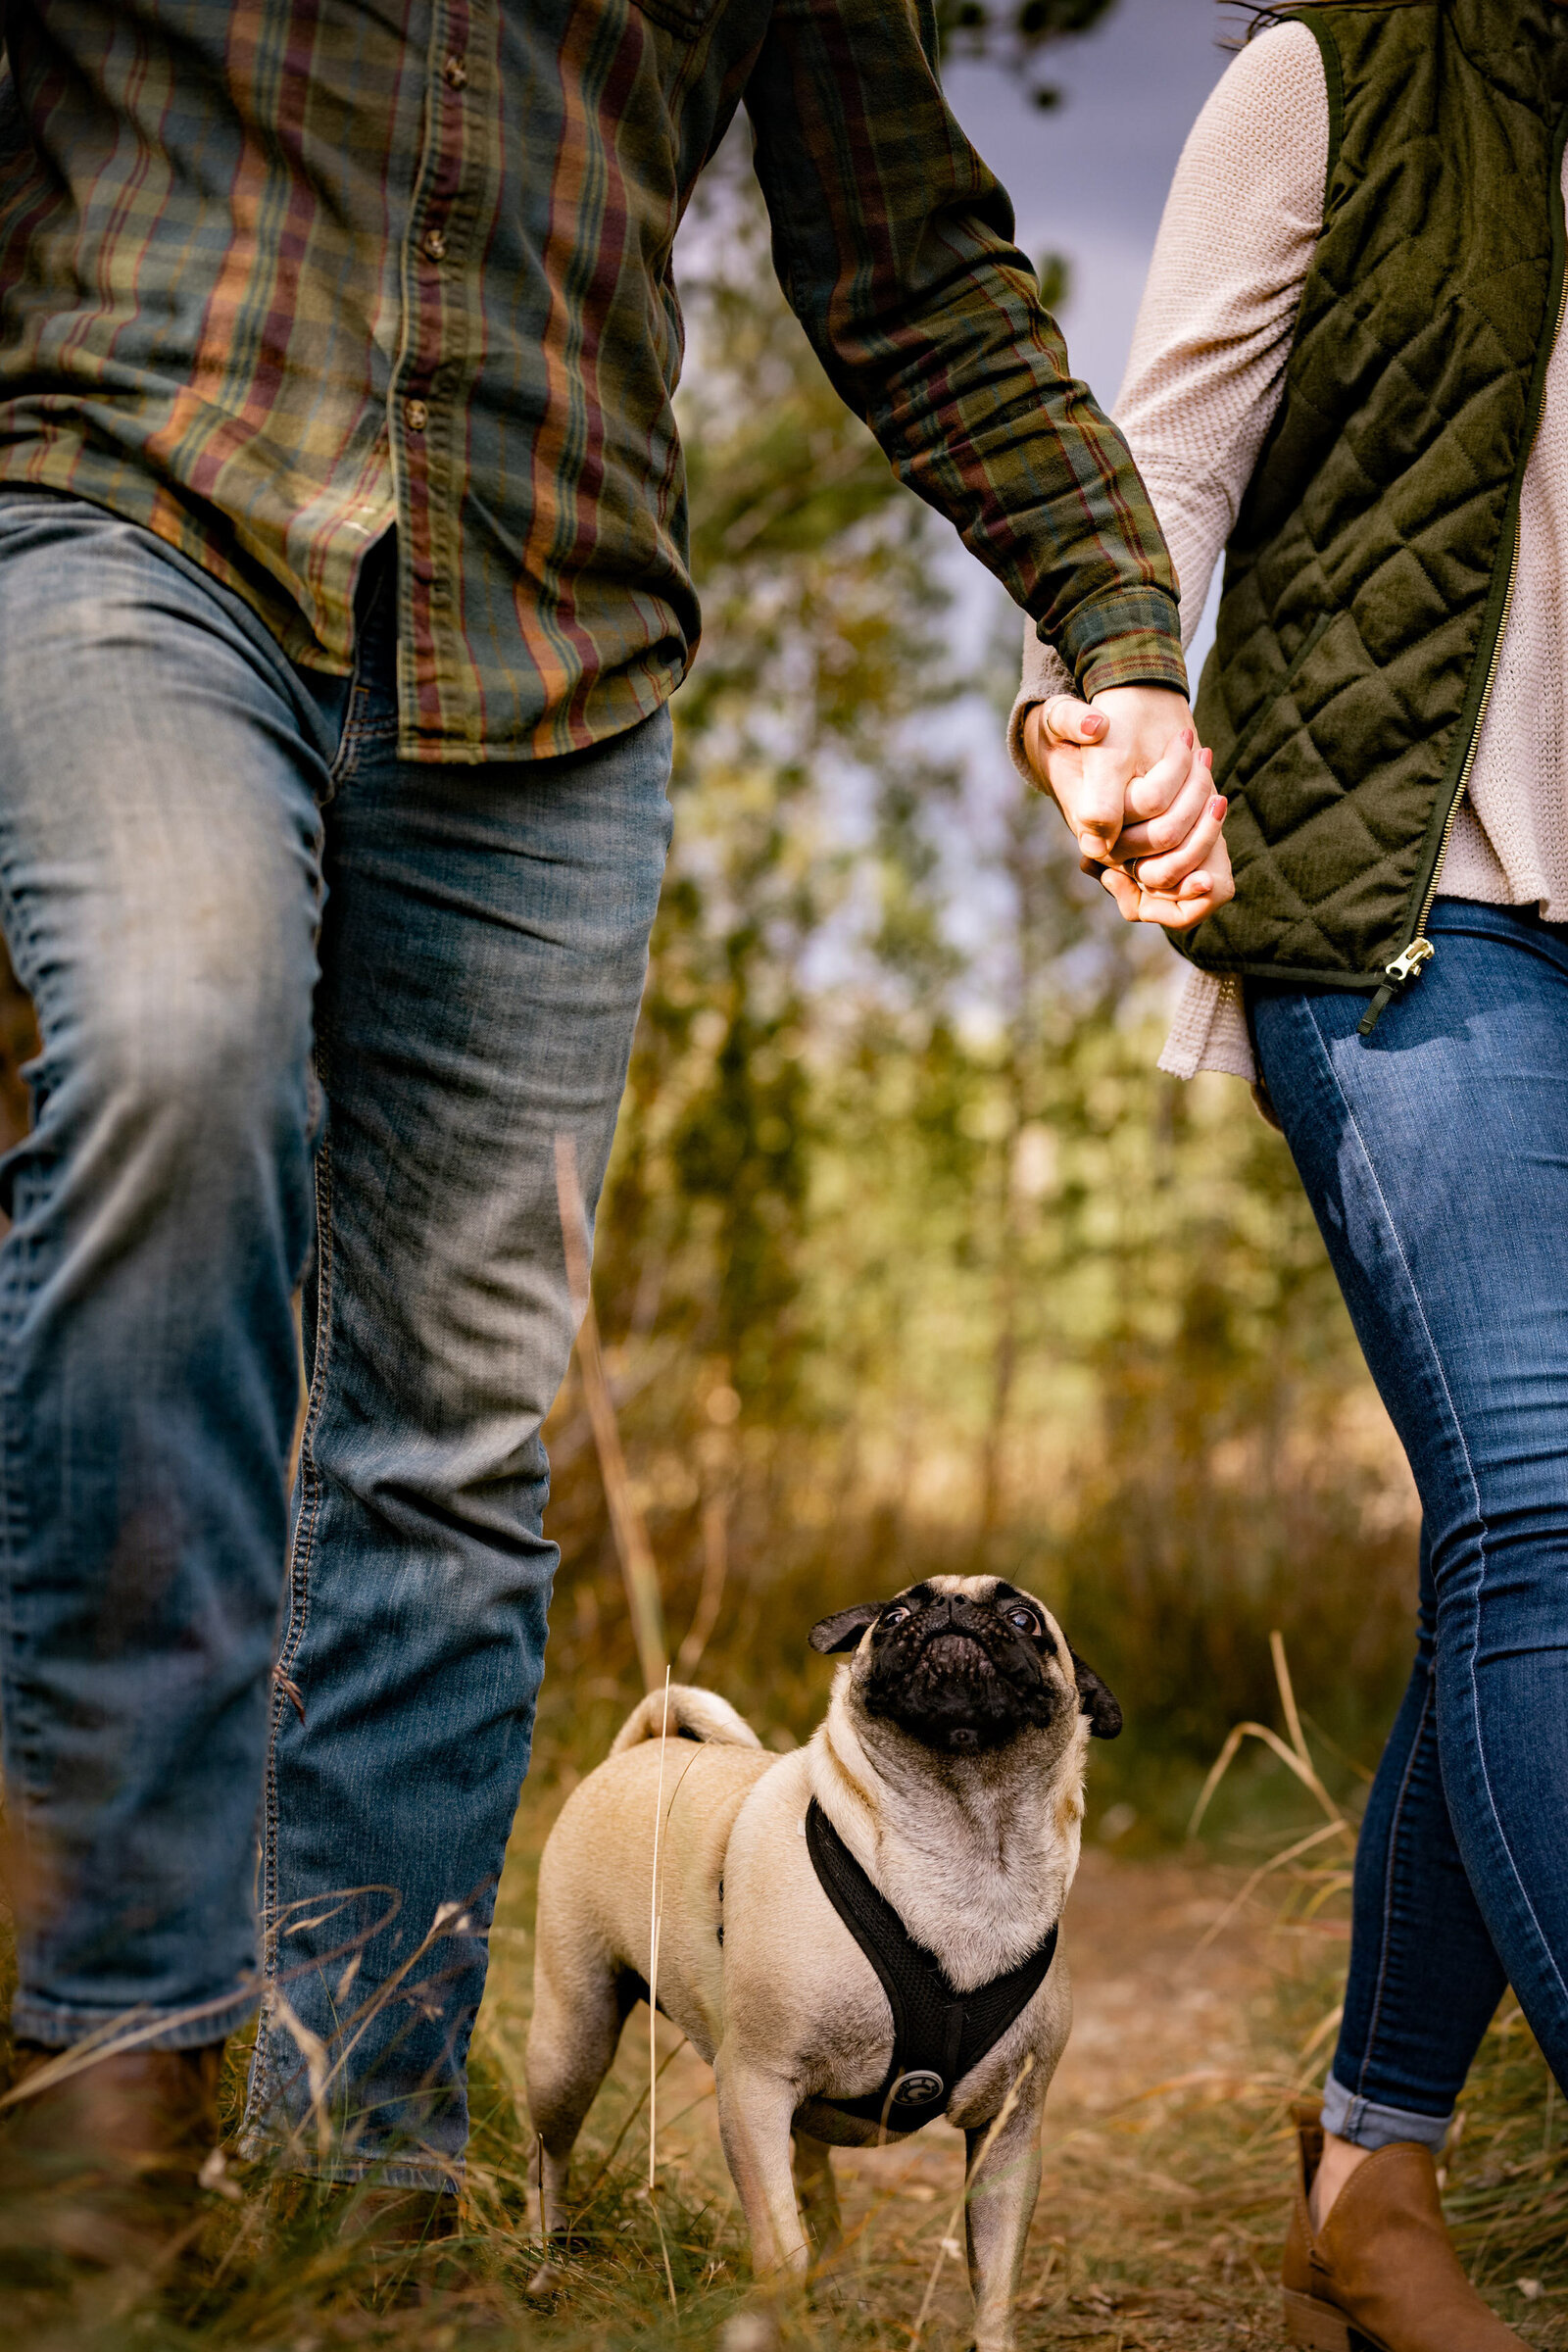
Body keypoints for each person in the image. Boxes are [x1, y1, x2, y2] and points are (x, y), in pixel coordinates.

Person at [0, 0, 1233, 2254]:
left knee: (453, 1438)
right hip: (131, 503)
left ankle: (356, 2173)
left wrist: (1115, 631)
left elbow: (908, 251)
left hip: (546, 635)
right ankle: (106, 2083)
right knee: (173, 1065)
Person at [1020, 4, 1568, 2347]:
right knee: (1549, 1501)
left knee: (1503, 1546)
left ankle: (1366, 2172)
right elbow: (1155, 471)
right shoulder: (1341, 66)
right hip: (1410, 899)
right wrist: (1110, 702)